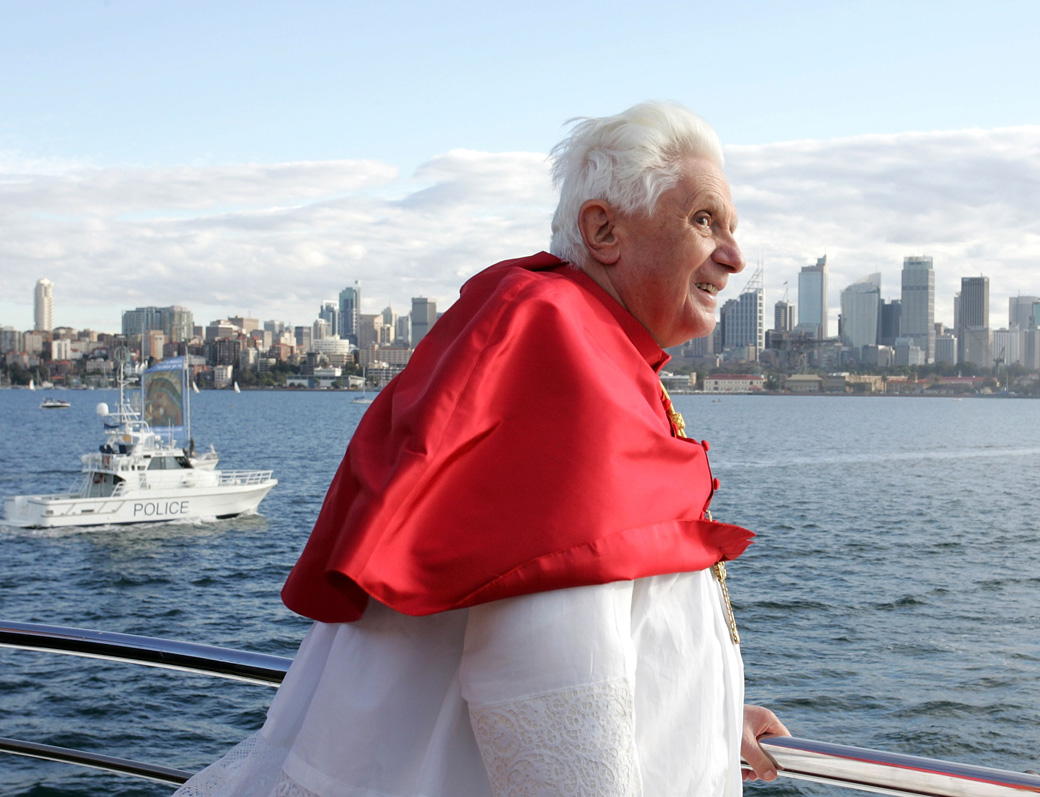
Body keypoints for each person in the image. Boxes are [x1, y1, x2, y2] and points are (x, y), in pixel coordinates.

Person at [176, 101, 788, 797]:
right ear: (604, 230)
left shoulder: (583, 348)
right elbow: (551, 682)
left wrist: (705, 718)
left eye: (732, 229)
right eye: (704, 221)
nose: (734, 256)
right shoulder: (560, 363)